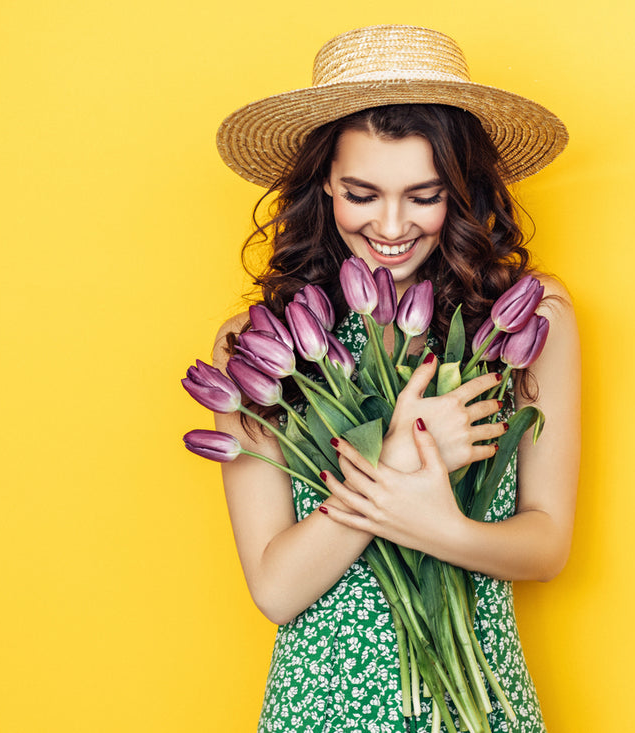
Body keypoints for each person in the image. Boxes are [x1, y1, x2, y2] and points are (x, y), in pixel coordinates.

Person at [211, 25, 580, 732]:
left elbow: (547, 545)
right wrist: (399, 460)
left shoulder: (527, 319)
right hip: (320, 709)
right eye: (361, 193)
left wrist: (436, 525)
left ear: (462, 189)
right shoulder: (258, 344)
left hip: (480, 706)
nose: (390, 225)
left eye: (423, 195)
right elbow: (279, 587)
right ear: (323, 182)